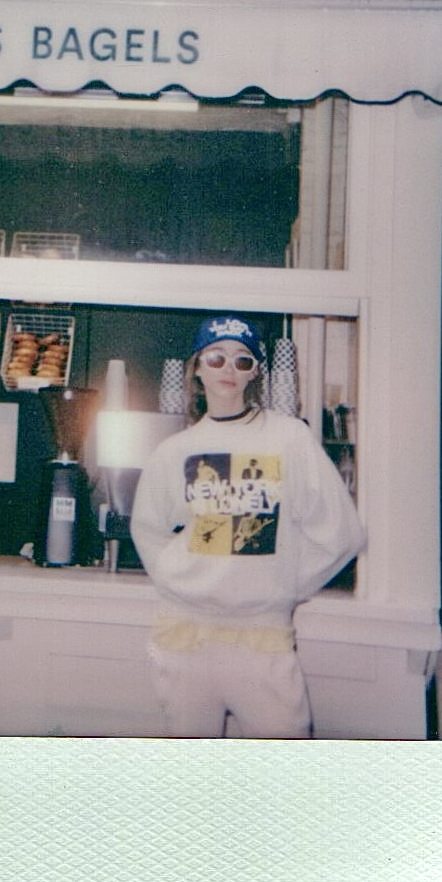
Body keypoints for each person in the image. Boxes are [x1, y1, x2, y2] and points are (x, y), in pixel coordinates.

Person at [130, 314, 365, 738]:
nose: (228, 369)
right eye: (216, 358)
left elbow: (342, 534)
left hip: (263, 637)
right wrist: (179, 579)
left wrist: (284, 586)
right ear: (197, 368)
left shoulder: (289, 438)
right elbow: (147, 529)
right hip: (186, 635)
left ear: (255, 372)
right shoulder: (175, 450)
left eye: (242, 360)